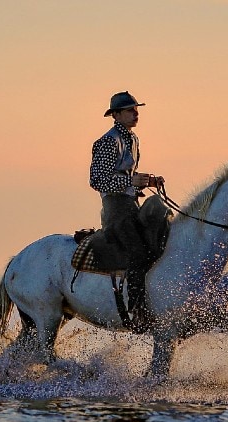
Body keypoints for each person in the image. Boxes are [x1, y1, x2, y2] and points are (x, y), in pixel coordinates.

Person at [89, 91, 164, 329]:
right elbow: (97, 180)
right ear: (116, 115)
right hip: (116, 210)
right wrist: (130, 182)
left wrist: (148, 181)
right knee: (138, 253)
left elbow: (127, 176)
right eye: (130, 110)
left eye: (136, 109)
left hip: (132, 205)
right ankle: (138, 312)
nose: (136, 113)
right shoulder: (107, 141)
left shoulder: (133, 139)